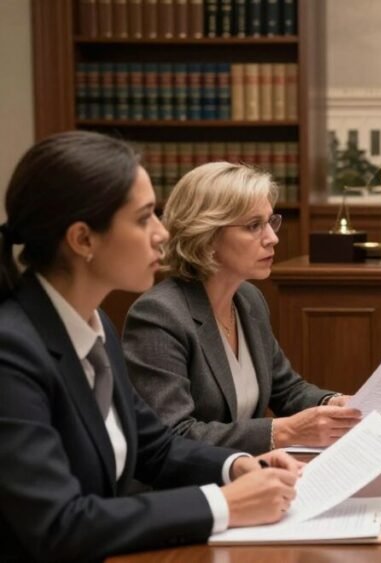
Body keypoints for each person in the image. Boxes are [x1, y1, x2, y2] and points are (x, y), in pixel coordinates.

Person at [0, 131, 302, 561]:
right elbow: (57, 525)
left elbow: (156, 448)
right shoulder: (11, 349)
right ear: (83, 239)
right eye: (144, 219)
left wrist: (234, 467)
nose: (163, 234)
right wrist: (224, 504)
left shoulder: (94, 322)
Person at [123, 162, 361, 454]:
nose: (272, 238)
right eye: (253, 226)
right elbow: (172, 434)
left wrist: (333, 403)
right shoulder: (159, 315)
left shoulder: (248, 299)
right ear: (206, 235)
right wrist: (283, 431)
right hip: (188, 491)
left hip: (247, 477)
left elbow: (287, 389)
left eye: (271, 222)